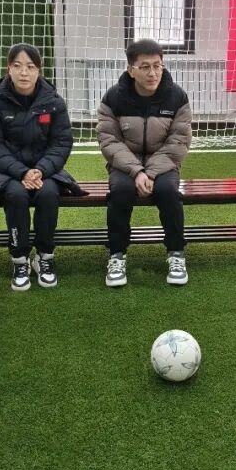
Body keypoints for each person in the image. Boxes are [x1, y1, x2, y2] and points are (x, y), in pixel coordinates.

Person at [0, 44, 83, 291]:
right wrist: (21, 172)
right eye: (17, 66)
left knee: (48, 193)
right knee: (15, 194)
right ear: (8, 69)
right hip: (7, 172)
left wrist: (40, 170)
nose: (24, 72)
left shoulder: (54, 102)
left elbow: (61, 142)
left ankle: (45, 256)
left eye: (30, 66)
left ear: (39, 70)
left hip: (46, 172)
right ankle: (20, 259)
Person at [97, 39, 191, 287]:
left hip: (164, 163)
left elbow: (179, 141)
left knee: (167, 190)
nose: (152, 73)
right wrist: (136, 171)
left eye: (157, 66)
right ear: (131, 70)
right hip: (125, 164)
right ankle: (117, 254)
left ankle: (176, 253)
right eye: (145, 67)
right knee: (121, 190)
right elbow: (109, 140)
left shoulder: (177, 97)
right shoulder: (114, 98)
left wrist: (149, 173)